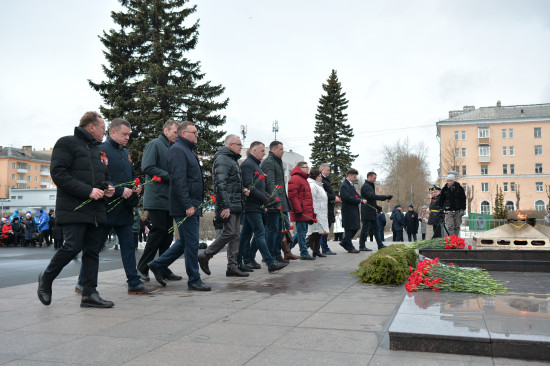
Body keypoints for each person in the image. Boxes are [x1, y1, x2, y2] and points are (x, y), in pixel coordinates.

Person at [37, 111, 116, 308]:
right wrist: (88, 191)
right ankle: (46, 278)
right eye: (103, 129)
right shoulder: (66, 143)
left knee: (92, 250)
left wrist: (108, 188)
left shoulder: (98, 151)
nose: (104, 133)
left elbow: (104, 176)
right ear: (91, 127)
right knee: (72, 246)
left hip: (95, 209)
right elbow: (58, 174)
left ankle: (89, 293)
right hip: (73, 207)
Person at [74, 118, 155, 295]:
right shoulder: (101, 150)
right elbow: (100, 179)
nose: (127, 138)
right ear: (112, 132)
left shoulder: (126, 153)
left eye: (128, 135)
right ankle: (82, 282)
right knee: (94, 249)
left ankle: (133, 282)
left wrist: (136, 186)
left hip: (124, 209)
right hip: (106, 208)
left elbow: (132, 175)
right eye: (124, 134)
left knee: (128, 247)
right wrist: (120, 191)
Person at [147, 121, 210, 291]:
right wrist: (187, 204)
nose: (197, 135)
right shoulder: (178, 150)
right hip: (186, 206)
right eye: (194, 132)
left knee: (185, 242)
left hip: (191, 204)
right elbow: (178, 180)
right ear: (183, 134)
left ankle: (158, 264)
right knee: (191, 244)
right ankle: (194, 280)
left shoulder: (186, 150)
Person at [198, 134, 249, 277]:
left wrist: (242, 189)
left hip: (235, 203)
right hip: (228, 204)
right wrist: (225, 206)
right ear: (230, 145)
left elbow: (232, 182)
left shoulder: (231, 160)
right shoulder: (223, 159)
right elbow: (220, 184)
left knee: (235, 235)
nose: (241, 147)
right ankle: (205, 255)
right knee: (229, 232)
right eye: (239, 144)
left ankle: (232, 267)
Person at [137, 119, 182, 282]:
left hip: (169, 198)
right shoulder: (155, 144)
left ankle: (162, 266)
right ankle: (141, 268)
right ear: (166, 131)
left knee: (167, 235)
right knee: (158, 232)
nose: (177, 135)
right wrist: (170, 176)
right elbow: (147, 166)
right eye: (175, 132)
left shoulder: (172, 147)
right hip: (156, 197)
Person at [238, 141, 287, 272]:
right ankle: (270, 262)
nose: (264, 153)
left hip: (256, 205)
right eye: (262, 151)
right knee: (261, 233)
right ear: (254, 151)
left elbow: (260, 186)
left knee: (246, 235)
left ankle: (245, 260)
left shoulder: (255, 165)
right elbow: (249, 185)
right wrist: (265, 198)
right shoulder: (248, 165)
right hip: (252, 205)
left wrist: (269, 197)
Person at [261, 141, 298, 261]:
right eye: (281, 149)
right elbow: (270, 183)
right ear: (274, 150)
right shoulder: (269, 162)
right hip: (274, 203)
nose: (283, 151)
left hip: (281, 202)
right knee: (273, 230)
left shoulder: (277, 161)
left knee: (283, 228)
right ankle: (271, 256)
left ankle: (277, 254)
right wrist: (276, 200)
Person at [288, 161, 316, 260]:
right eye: (306, 167)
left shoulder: (304, 179)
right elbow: (292, 196)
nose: (308, 169)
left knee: (301, 232)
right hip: (300, 211)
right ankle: (304, 253)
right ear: (300, 168)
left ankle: (287, 249)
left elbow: (307, 198)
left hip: (305, 211)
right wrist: (297, 209)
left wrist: (312, 214)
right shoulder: (295, 179)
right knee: (301, 233)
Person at [359, 171, 392, 251]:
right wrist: (385, 197)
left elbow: (370, 199)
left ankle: (380, 245)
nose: (375, 179)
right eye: (374, 178)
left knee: (376, 228)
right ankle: (362, 246)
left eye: (375, 178)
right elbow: (372, 196)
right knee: (365, 229)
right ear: (369, 177)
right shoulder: (366, 186)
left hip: (371, 211)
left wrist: (377, 207)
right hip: (367, 211)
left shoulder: (370, 185)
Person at [339, 168, 364, 253]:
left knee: (356, 227)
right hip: (348, 210)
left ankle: (344, 241)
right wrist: (359, 201)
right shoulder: (344, 185)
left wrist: (361, 198)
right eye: (354, 177)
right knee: (350, 228)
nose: (355, 179)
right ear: (349, 176)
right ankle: (350, 247)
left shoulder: (350, 185)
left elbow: (355, 194)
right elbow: (347, 198)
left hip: (353, 209)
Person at [306, 169, 329, 257]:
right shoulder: (312, 186)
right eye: (319, 176)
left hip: (322, 212)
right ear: (314, 177)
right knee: (314, 233)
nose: (321, 178)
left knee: (319, 233)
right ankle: (304, 249)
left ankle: (316, 251)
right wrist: (314, 212)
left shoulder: (318, 186)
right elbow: (313, 200)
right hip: (316, 212)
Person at [319, 163, 340, 255]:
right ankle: (324, 248)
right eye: (327, 170)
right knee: (324, 228)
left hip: (329, 207)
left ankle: (323, 247)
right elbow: (324, 194)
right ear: (322, 170)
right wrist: (333, 197)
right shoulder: (321, 180)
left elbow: (329, 192)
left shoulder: (326, 179)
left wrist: (335, 196)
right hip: (324, 207)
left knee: (326, 227)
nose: (329, 171)